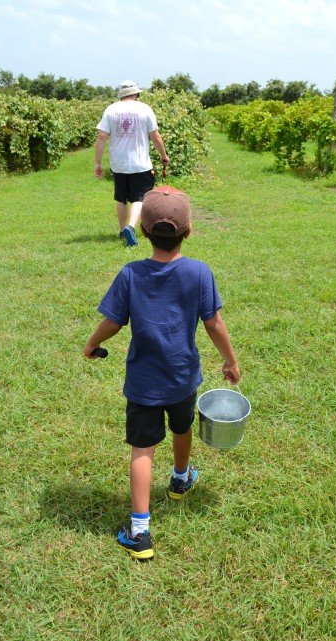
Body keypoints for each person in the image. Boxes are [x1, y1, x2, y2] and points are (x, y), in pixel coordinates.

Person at [83, 185, 240, 560]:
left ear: (143, 231)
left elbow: (112, 323)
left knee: (143, 448)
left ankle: (140, 532)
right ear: (188, 232)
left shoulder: (131, 273)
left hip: (143, 382)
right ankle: (181, 479)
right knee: (182, 428)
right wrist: (231, 361)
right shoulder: (199, 272)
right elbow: (214, 323)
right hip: (183, 376)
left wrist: (91, 344)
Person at [94, 80, 170, 246]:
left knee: (121, 199)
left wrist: (97, 163)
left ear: (121, 94)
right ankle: (131, 227)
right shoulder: (144, 109)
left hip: (118, 163)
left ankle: (122, 231)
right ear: (136, 94)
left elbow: (101, 136)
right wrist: (163, 155)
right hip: (140, 163)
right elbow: (155, 137)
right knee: (139, 197)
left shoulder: (111, 109)